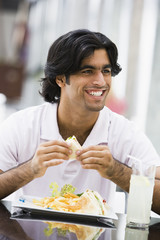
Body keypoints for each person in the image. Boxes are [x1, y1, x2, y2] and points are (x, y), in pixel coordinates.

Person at [0, 29, 160, 214]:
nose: (101, 81)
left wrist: (115, 171)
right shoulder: (22, 125)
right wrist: (30, 169)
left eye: (106, 71)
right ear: (60, 78)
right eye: (87, 71)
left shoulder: (124, 132)